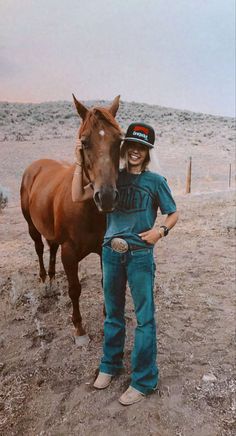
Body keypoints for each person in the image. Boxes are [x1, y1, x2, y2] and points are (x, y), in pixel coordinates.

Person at [72, 122, 178, 405]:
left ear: (147, 152)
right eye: (132, 145)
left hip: (140, 255)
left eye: (142, 147)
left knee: (144, 318)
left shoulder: (156, 181)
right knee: (112, 313)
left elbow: (172, 213)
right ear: (125, 148)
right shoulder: (113, 178)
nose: (135, 151)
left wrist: (160, 231)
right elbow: (77, 195)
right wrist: (77, 162)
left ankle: (143, 380)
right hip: (111, 253)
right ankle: (110, 364)